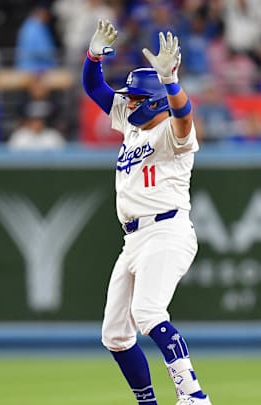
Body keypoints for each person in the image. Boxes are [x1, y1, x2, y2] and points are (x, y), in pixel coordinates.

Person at [82, 20, 212, 405]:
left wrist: (170, 80)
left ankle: (193, 395)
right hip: (134, 238)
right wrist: (93, 57)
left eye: (137, 98)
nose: (130, 102)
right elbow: (94, 87)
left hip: (167, 231)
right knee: (115, 335)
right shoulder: (131, 126)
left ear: (155, 100)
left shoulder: (173, 131)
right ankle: (147, 403)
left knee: (148, 312)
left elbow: (185, 115)